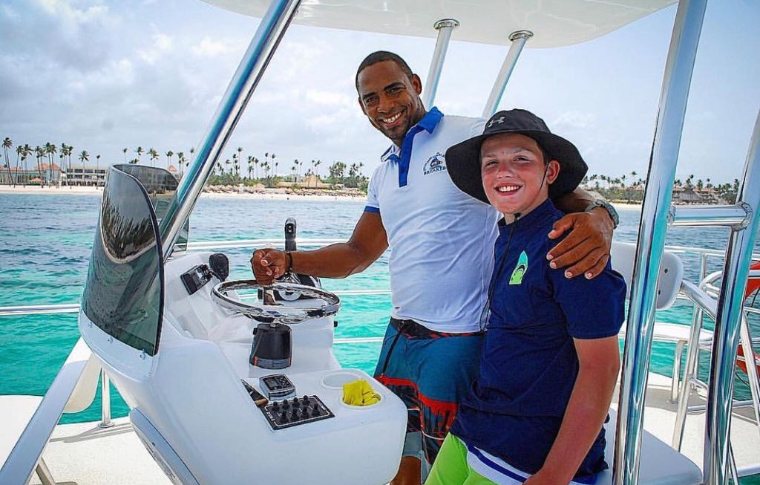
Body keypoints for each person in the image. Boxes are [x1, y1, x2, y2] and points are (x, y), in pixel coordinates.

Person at [251, 51, 618, 485]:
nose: (385, 105)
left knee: (439, 456)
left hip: (457, 340)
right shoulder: (383, 172)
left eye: (394, 89)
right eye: (371, 98)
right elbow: (357, 253)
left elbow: (551, 185)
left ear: (416, 84)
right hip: (400, 334)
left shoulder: (470, 137)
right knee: (395, 453)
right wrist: (289, 262)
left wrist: (601, 217)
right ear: (362, 107)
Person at [426, 109, 625, 485]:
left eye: (521, 159)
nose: (504, 171)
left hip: (529, 451)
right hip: (477, 426)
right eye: (492, 163)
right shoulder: (510, 235)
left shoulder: (571, 243)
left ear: (549, 173)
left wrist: (555, 474)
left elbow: (600, 368)